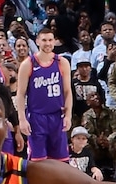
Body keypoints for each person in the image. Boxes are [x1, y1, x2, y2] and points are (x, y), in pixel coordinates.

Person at [15, 30, 74, 162]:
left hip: (57, 116)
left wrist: (69, 116)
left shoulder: (62, 62)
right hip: (37, 118)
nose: (47, 43)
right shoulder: (28, 64)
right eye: (44, 40)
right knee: (38, 162)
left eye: (50, 40)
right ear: (37, 41)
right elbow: (20, 94)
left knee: (61, 161)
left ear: (54, 41)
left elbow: (67, 92)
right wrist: (22, 119)